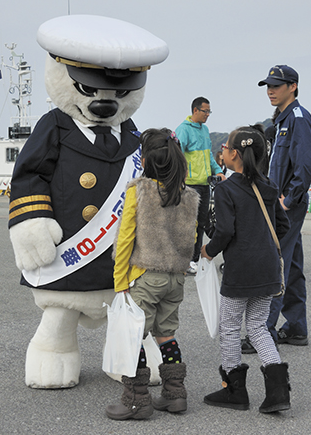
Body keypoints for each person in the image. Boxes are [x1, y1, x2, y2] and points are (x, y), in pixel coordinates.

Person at [105, 128, 199, 420]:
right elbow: (193, 238)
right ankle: (175, 394)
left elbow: (125, 238)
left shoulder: (139, 191)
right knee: (166, 334)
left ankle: (136, 400)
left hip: (145, 276)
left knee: (133, 338)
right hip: (176, 278)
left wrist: (120, 280)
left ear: (145, 161)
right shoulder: (188, 196)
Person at [201, 126, 291, 413]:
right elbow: (283, 226)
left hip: (240, 270)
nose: (223, 151)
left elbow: (225, 230)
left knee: (229, 327)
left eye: (226, 147)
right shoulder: (269, 186)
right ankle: (278, 391)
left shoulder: (226, 189)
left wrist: (208, 250)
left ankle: (234, 390)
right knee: (257, 326)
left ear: (235, 154)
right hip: (267, 268)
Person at [257, 65, 311, 348]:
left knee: (276, 264)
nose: (270, 90)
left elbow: (306, 165)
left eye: (276, 85)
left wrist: (288, 200)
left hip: (286, 206)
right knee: (291, 264)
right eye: (268, 86)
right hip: (280, 204)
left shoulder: (298, 119)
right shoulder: (281, 120)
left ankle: (263, 331)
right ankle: (296, 327)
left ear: (293, 86)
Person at [175, 97, 225, 275]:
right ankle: (184, 260)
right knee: (188, 224)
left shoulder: (205, 130)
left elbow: (209, 155)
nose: (208, 115)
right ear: (195, 110)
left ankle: (195, 259)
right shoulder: (183, 130)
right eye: (205, 111)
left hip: (204, 184)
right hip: (189, 185)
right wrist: (179, 179)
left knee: (201, 224)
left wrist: (218, 171)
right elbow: (177, 155)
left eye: (209, 111)